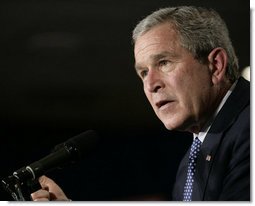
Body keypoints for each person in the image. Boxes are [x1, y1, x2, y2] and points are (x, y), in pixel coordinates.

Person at [31, 6, 250, 201]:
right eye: (144, 73)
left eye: (164, 62)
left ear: (216, 65)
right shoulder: (190, 163)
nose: (150, 84)